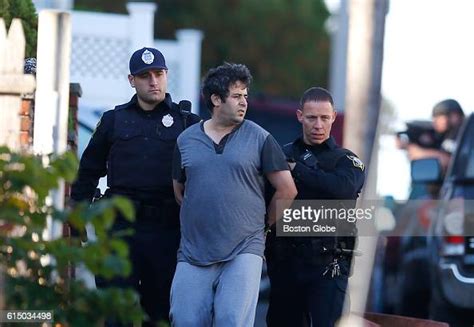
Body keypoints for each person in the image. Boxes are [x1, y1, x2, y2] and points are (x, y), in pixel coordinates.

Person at [70, 47, 201, 326]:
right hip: (119, 231)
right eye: (145, 76)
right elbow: (88, 172)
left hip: (167, 232)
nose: (153, 81)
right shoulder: (113, 120)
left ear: (166, 75)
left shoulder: (187, 122)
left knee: (159, 313)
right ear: (132, 80)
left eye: (159, 74)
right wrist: (77, 220)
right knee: (115, 312)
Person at [170, 62, 297, 326]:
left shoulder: (260, 138)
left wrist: (263, 227)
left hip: (244, 247)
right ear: (216, 99)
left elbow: (287, 189)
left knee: (231, 319)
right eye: (237, 96)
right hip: (194, 250)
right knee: (184, 319)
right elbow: (180, 192)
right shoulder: (185, 140)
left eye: (246, 96)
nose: (244, 102)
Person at [265, 87, 365, 327]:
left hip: (327, 265)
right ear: (300, 116)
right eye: (311, 118)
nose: (318, 124)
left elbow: (342, 188)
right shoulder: (281, 153)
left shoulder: (346, 160)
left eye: (324, 118)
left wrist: (297, 170)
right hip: (286, 263)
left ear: (333, 118)